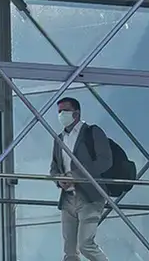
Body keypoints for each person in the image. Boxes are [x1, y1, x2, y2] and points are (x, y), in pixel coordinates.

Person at [49, 96, 114, 261]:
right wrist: (59, 179)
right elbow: (54, 166)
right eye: (59, 111)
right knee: (69, 251)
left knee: (86, 244)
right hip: (68, 198)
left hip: (90, 196)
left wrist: (76, 176)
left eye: (65, 110)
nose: (61, 114)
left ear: (76, 113)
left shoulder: (92, 132)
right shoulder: (59, 138)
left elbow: (105, 161)